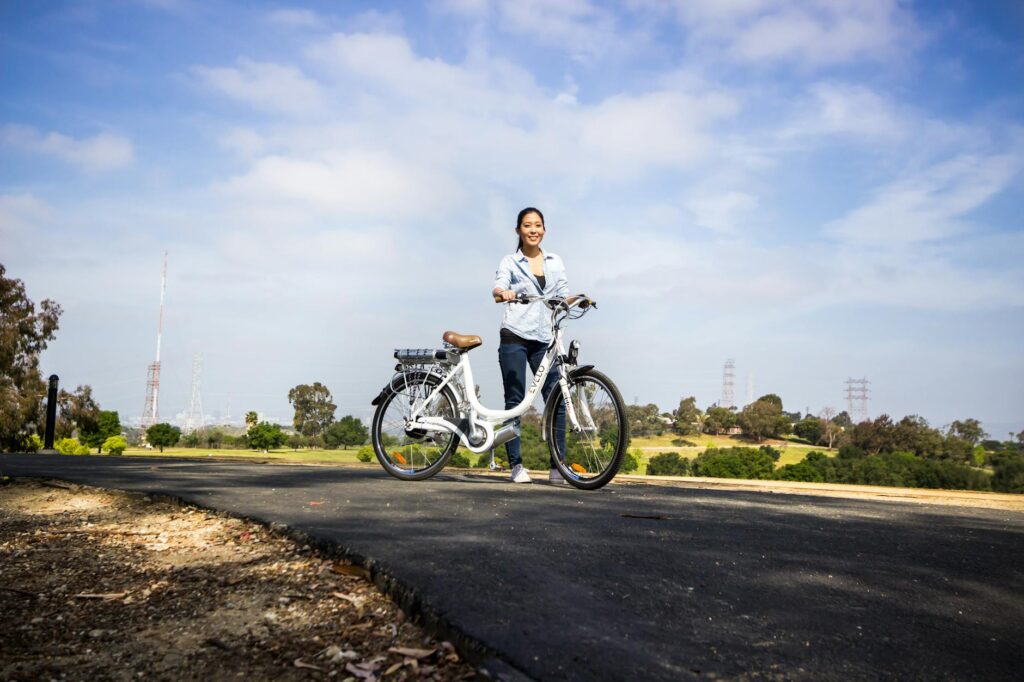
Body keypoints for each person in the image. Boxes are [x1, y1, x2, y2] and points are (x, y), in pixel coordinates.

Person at [492, 207, 569, 484]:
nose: (533, 230)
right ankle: (516, 466)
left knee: (557, 399)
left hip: (544, 338)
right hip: (515, 334)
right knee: (515, 402)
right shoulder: (511, 261)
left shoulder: (555, 261)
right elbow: (498, 287)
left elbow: (562, 294)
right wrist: (505, 292)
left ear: (544, 230)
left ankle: (557, 467)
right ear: (519, 231)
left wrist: (577, 299)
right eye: (527, 225)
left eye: (537, 225)